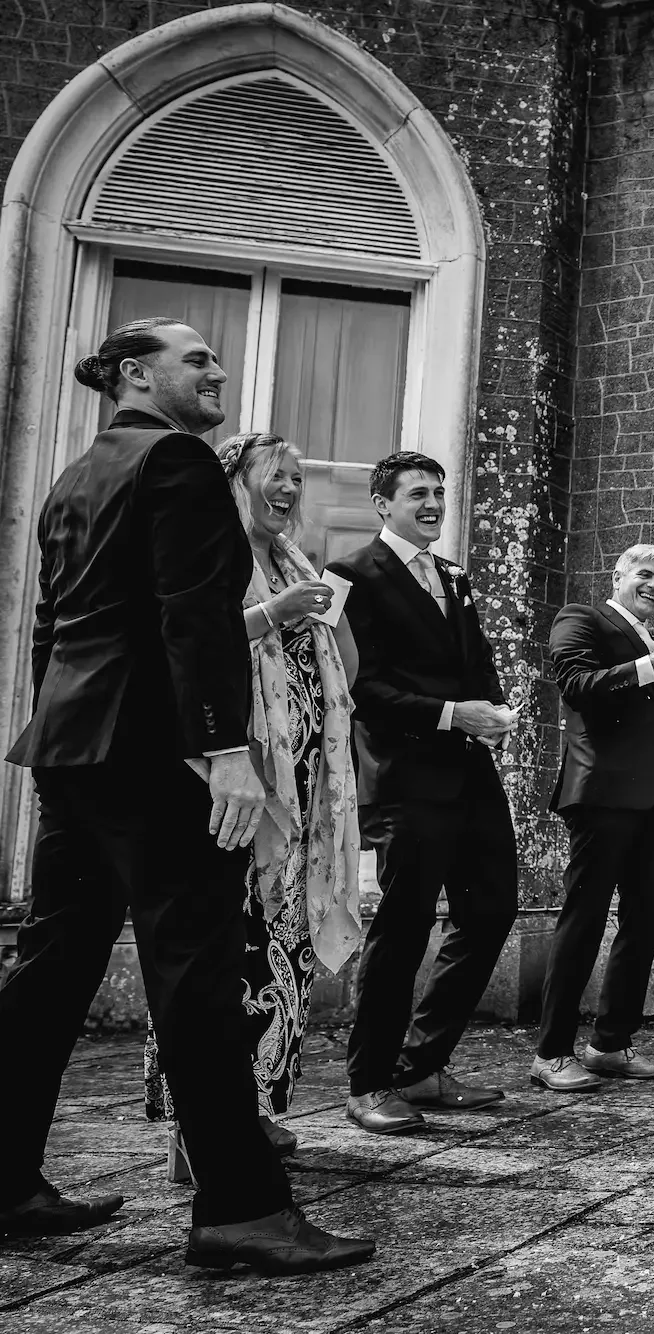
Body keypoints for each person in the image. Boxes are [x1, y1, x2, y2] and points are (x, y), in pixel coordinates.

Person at [0, 318, 371, 1273]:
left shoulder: (76, 475)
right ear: (135, 373)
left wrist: (59, 732)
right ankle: (242, 1208)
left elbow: (52, 629)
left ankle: (4, 1179)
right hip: (158, 756)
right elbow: (193, 615)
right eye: (196, 358)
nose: (218, 370)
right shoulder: (177, 461)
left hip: (74, 750)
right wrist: (224, 747)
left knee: (51, 970)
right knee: (198, 975)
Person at [144, 433, 366, 1178]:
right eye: (276, 475)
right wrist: (276, 611)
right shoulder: (215, 555)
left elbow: (343, 670)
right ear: (234, 481)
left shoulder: (297, 561)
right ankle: (195, 1132)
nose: (290, 490)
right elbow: (186, 643)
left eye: (298, 479)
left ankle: (259, 1110)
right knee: (224, 949)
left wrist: (329, 617)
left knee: (283, 951)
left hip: (302, 789)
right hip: (236, 783)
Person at [331, 452, 519, 1133]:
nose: (434, 502)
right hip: (405, 779)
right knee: (403, 927)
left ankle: (422, 1065)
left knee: (492, 910)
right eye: (418, 493)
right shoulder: (349, 575)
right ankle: (369, 1083)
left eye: (439, 491)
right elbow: (358, 686)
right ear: (383, 504)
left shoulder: (454, 577)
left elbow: (478, 665)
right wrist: (449, 715)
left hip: (470, 772)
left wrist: (493, 712)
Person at [530, 544, 654, 1092]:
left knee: (643, 922)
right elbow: (577, 686)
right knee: (583, 921)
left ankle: (610, 1043)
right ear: (618, 576)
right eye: (644, 574)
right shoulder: (582, 619)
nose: (653, 585)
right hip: (602, 795)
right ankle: (551, 1053)